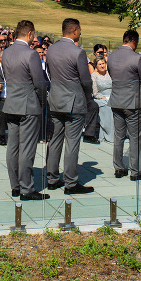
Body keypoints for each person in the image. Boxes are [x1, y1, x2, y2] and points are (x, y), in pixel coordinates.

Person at [45, 18, 95, 194]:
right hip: (74, 101)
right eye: (80, 30)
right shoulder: (78, 52)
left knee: (55, 139)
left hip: (56, 98)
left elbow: (49, 73)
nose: (80, 33)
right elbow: (85, 79)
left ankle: (51, 178)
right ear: (74, 30)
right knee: (72, 142)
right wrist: (89, 96)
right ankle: (71, 182)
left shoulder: (50, 50)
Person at [0, 19, 49, 200]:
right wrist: (42, 102)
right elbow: (39, 82)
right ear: (29, 34)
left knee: (13, 147)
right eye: (34, 35)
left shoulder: (6, 53)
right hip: (28, 104)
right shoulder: (31, 55)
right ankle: (27, 188)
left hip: (11, 103)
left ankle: (15, 185)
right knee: (27, 148)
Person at [107, 30, 141, 181]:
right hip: (133, 102)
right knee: (135, 137)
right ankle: (135, 171)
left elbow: (112, 75)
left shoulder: (111, 57)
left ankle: (118, 168)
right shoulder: (137, 58)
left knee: (119, 136)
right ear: (134, 41)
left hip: (116, 100)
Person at [91, 55, 114, 142]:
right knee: (107, 107)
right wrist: (103, 97)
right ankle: (108, 134)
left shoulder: (110, 73)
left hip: (112, 96)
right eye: (99, 64)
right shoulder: (94, 76)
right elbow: (95, 92)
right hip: (100, 98)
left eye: (103, 63)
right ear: (96, 66)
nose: (102, 66)